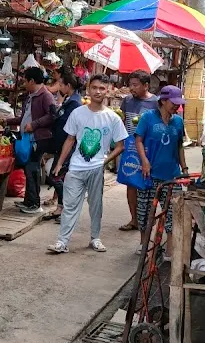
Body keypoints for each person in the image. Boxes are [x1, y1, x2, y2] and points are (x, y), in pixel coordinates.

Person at [47, 74, 128, 254]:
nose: (98, 91)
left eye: (102, 88)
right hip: (76, 167)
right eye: (94, 87)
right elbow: (70, 139)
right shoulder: (78, 113)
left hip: (96, 169)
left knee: (95, 205)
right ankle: (62, 242)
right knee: (69, 205)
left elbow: (120, 145)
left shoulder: (112, 118)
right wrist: (60, 163)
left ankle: (95, 238)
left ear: (107, 91)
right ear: (88, 89)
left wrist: (104, 161)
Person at [134, 85, 188, 240]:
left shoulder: (178, 121)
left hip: (172, 176)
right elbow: (138, 140)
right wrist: (144, 161)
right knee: (145, 214)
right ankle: (144, 246)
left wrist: (184, 168)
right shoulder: (148, 118)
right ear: (163, 101)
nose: (177, 106)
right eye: (174, 102)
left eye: (179, 103)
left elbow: (179, 146)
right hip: (150, 174)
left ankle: (170, 249)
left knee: (173, 214)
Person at [7, 66, 57, 214]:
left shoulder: (45, 96)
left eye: (25, 80)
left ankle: (34, 204)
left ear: (32, 81)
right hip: (28, 139)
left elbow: (52, 115)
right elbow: (24, 118)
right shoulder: (30, 96)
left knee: (32, 169)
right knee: (28, 169)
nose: (23, 83)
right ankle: (29, 201)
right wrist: (7, 121)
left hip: (38, 139)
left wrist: (34, 125)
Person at [118, 71, 158, 231]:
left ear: (146, 85)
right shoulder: (127, 101)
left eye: (135, 85)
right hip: (130, 148)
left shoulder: (156, 103)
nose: (131, 88)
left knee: (148, 185)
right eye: (130, 85)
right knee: (131, 184)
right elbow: (122, 121)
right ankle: (134, 219)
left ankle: (147, 218)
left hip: (148, 149)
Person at [48, 68, 83, 217]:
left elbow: (67, 126)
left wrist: (55, 112)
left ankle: (67, 207)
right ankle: (62, 207)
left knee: (55, 176)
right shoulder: (70, 100)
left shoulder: (74, 103)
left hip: (66, 146)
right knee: (59, 176)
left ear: (68, 86)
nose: (60, 87)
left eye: (61, 85)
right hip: (61, 144)